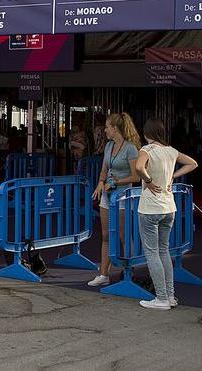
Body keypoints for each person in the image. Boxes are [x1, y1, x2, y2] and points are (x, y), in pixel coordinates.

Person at [134, 117, 198, 310]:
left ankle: (161, 297)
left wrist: (147, 179)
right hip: (168, 207)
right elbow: (193, 163)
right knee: (164, 251)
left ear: (147, 134)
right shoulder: (171, 151)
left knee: (152, 253)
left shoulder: (147, 150)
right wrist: (173, 176)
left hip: (149, 208)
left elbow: (138, 167)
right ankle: (169, 295)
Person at [87, 112, 141, 287]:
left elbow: (135, 177)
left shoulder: (131, 148)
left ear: (115, 129)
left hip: (123, 196)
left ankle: (129, 271)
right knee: (105, 235)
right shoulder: (109, 146)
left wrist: (116, 181)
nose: (105, 130)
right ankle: (104, 274)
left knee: (123, 235)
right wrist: (100, 183)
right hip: (108, 195)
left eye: (108, 127)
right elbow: (104, 169)